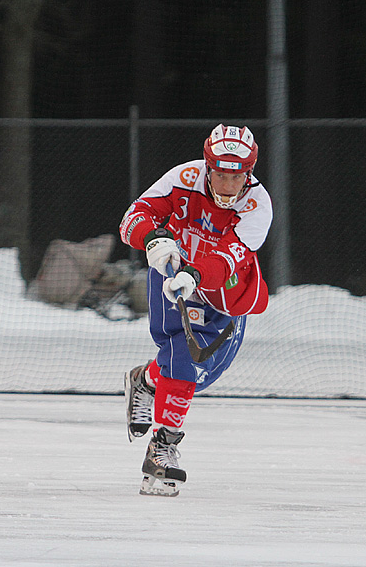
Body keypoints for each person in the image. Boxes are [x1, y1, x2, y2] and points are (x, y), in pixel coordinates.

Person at [119, 124, 273, 496]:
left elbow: (231, 259)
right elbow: (132, 220)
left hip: (222, 289)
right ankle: (163, 446)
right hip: (172, 274)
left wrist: (197, 273)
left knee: (202, 373)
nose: (226, 185)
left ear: (248, 174)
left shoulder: (258, 206)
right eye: (219, 174)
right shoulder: (183, 178)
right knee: (183, 358)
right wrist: (154, 240)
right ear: (208, 166)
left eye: (235, 177)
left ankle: (146, 380)